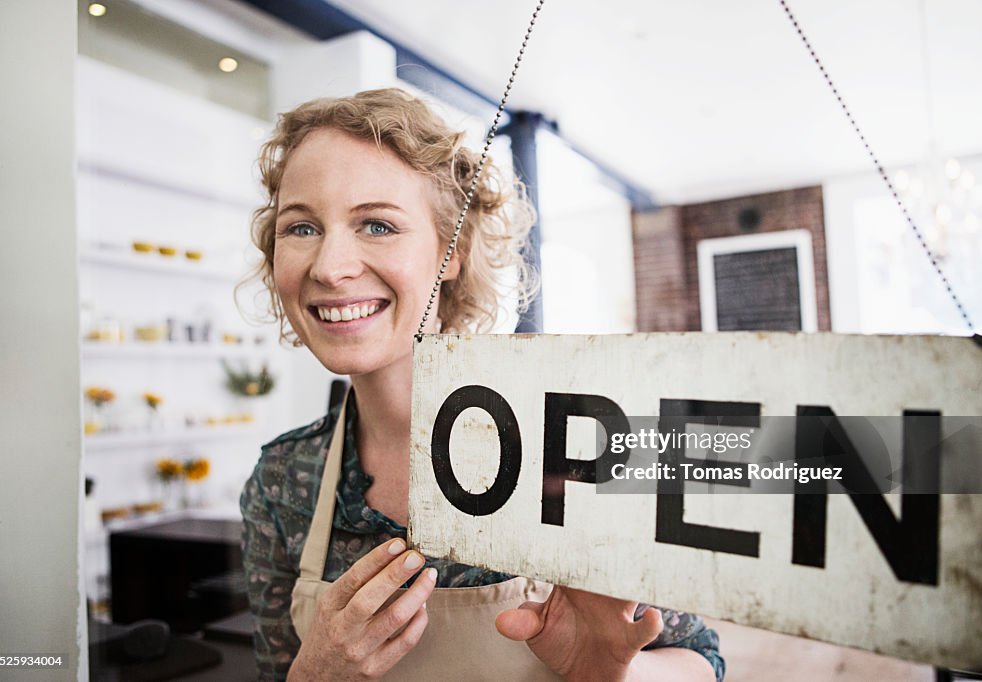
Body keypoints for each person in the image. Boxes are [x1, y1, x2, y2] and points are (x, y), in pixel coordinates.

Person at [239, 88, 724, 681]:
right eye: (302, 228)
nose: (329, 266)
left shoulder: (572, 452)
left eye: (377, 224)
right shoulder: (283, 482)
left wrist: (616, 675)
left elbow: (702, 659)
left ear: (453, 252)